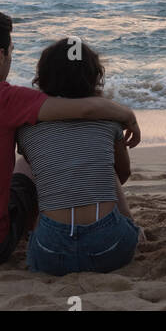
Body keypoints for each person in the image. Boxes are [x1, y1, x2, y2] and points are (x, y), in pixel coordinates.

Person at [0, 11, 140, 267]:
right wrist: (127, 115)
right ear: (1, 55)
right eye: (11, 50)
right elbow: (84, 109)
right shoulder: (10, 99)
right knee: (26, 167)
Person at [18, 37, 141, 274]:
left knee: (27, 165)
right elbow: (122, 173)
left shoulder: (27, 127)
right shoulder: (109, 118)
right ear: (94, 76)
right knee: (104, 165)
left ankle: (30, 233)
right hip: (110, 247)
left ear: (42, 77)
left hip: (51, 252)